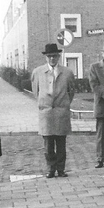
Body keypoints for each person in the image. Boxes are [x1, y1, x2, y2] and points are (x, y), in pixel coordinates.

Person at [31, 43, 76, 178]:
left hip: (61, 112)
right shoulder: (38, 72)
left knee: (61, 143)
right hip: (46, 113)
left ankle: (61, 169)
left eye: (55, 56)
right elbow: (35, 91)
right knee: (48, 144)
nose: (52, 59)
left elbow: (71, 91)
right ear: (46, 57)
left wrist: (64, 103)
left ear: (59, 56)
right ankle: (50, 169)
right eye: (49, 56)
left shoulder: (67, 72)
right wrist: (44, 103)